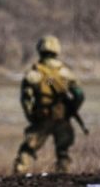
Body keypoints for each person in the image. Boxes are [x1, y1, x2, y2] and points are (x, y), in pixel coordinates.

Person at [13, 35, 84, 174]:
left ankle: (17, 177)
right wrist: (70, 111)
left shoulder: (34, 74)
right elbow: (79, 95)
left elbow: (26, 98)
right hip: (62, 117)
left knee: (27, 150)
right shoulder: (65, 73)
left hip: (42, 117)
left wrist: (31, 115)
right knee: (63, 152)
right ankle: (64, 180)